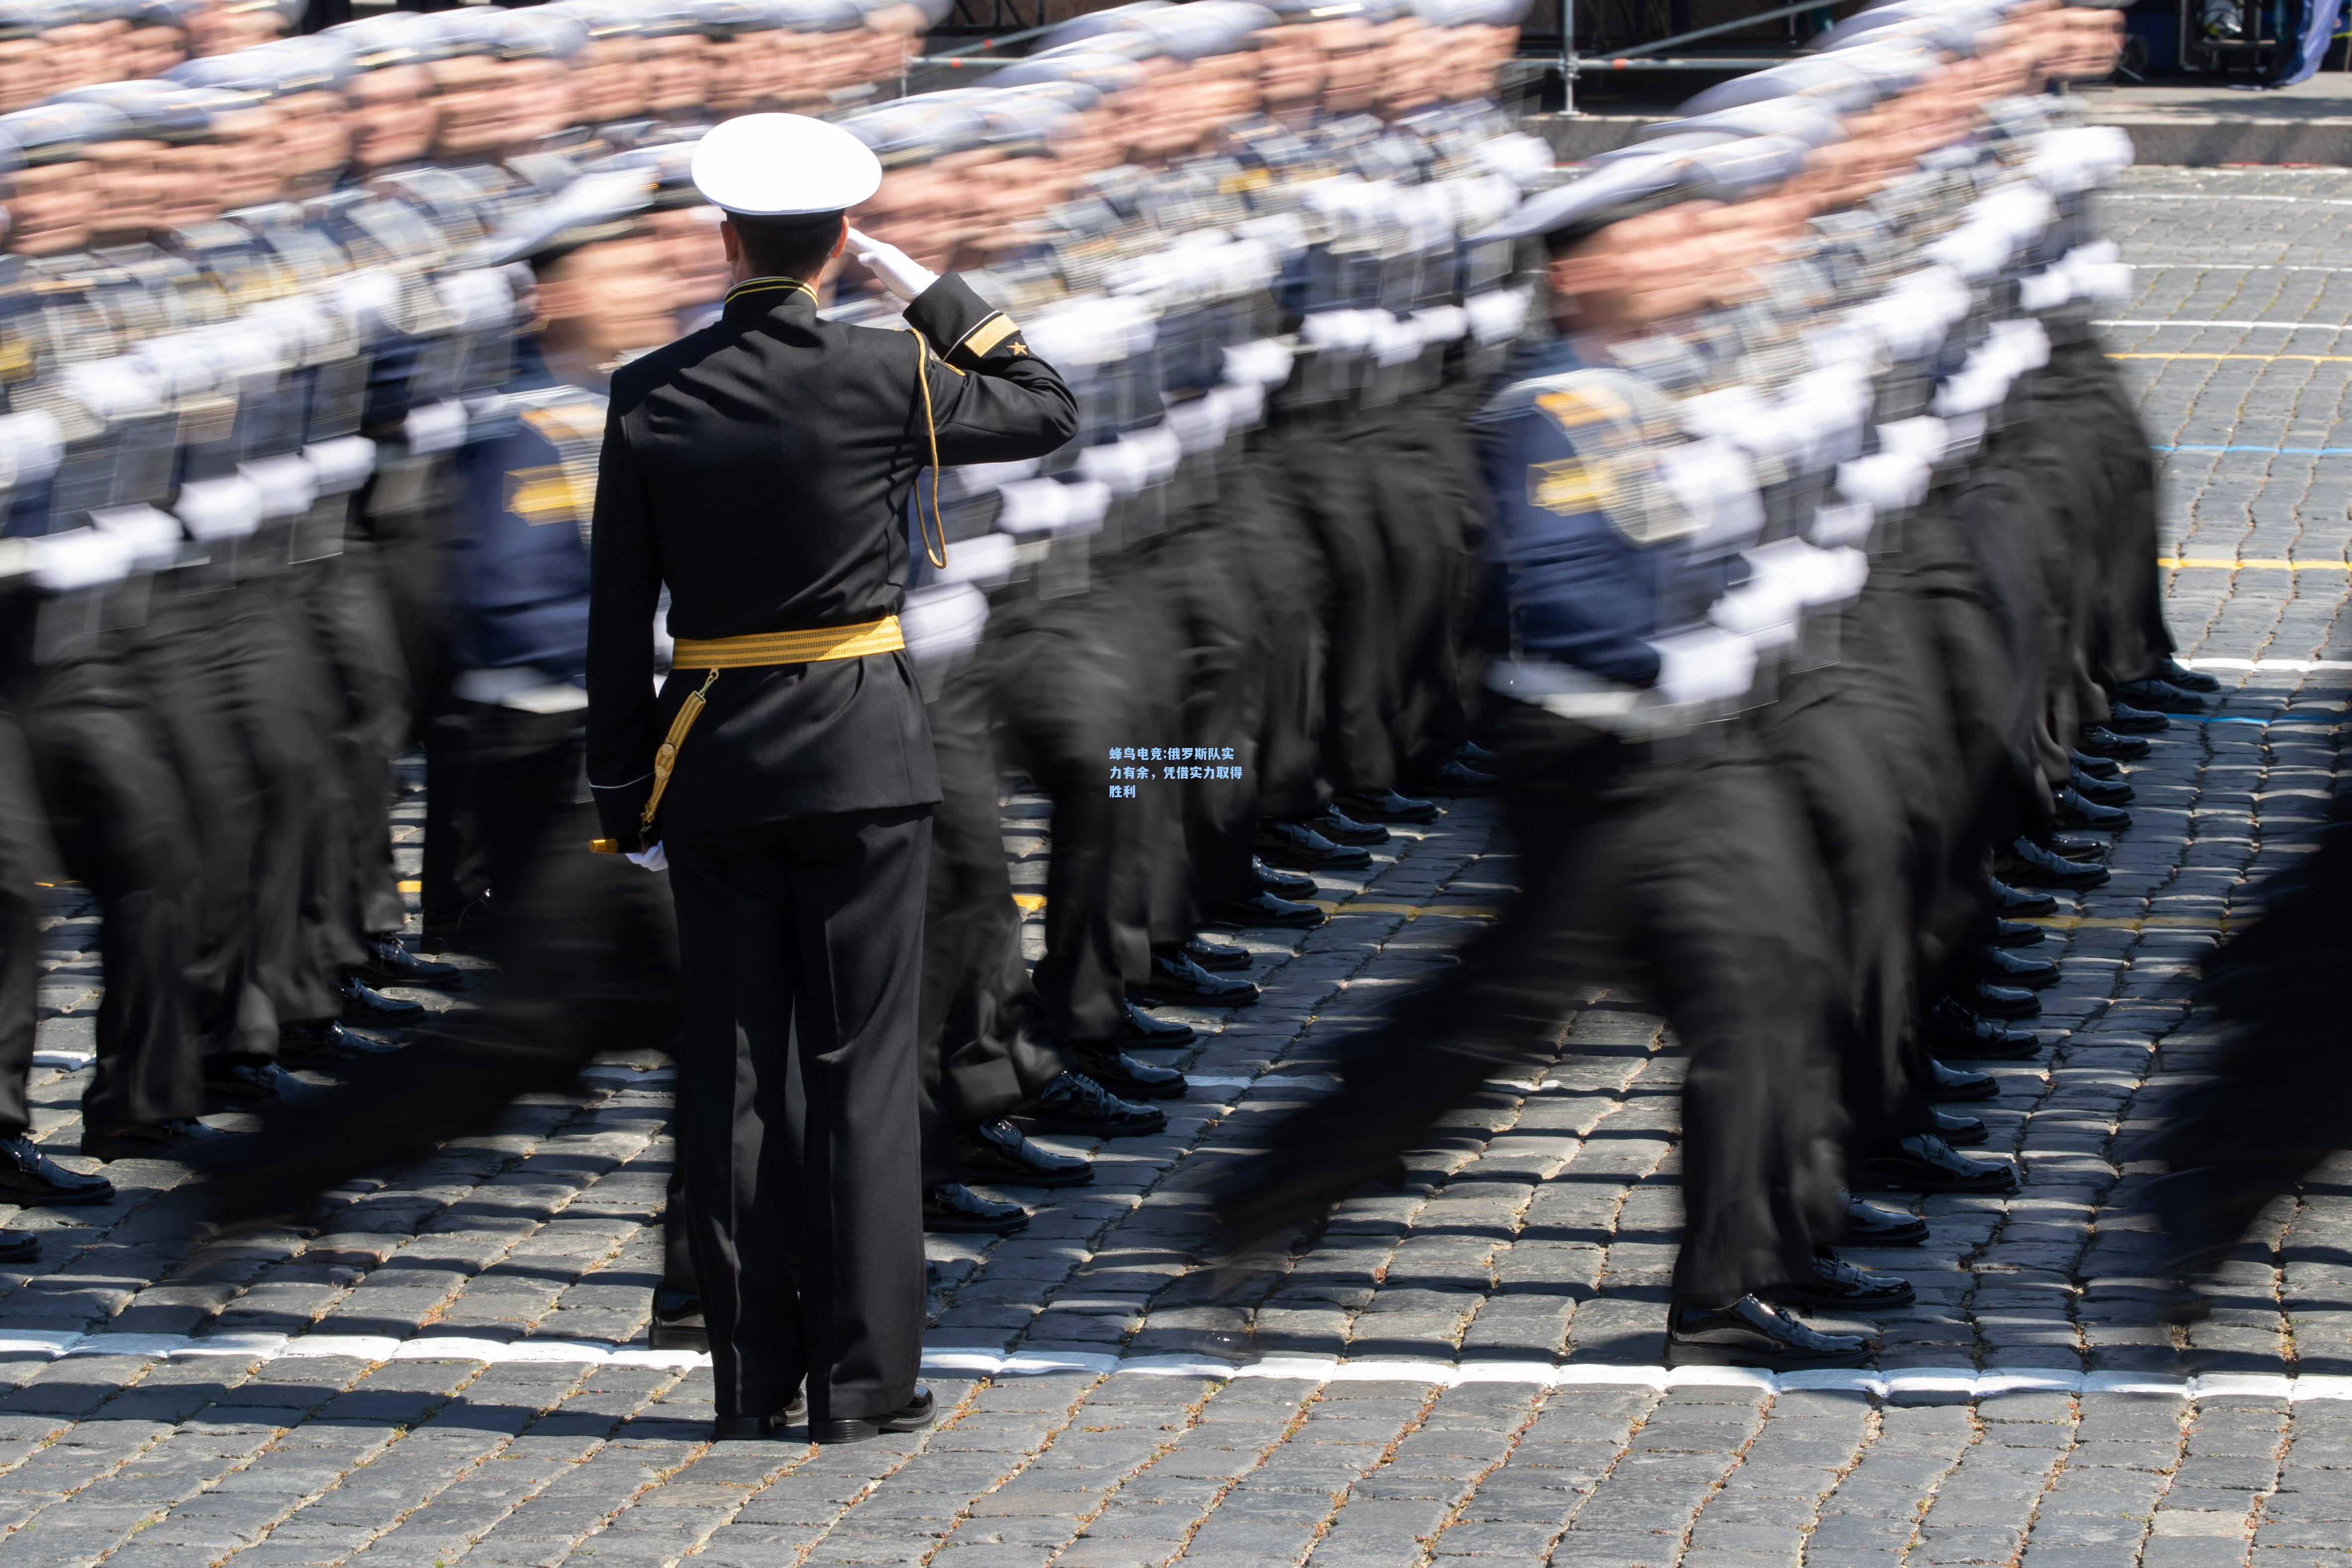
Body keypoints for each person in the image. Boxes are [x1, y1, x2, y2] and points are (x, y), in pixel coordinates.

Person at [585, 111, 1075, 1444]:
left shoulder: (650, 390)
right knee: (860, 1074)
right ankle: (866, 1384)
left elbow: (616, 608)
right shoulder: (883, 372)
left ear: (722, 238)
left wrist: (621, 794)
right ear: (840, 241)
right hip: (863, 749)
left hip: (717, 752)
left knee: (736, 1074)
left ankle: (751, 1383)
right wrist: (922, 289)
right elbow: (1047, 408)